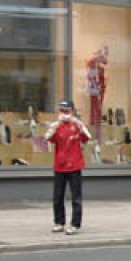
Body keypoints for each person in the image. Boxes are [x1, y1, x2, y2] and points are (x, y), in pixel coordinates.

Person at [46, 100, 91, 234]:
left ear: (72, 111)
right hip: (59, 166)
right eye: (62, 111)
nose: (64, 114)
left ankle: (75, 224)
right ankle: (59, 222)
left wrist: (79, 124)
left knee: (76, 197)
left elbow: (87, 137)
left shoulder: (77, 125)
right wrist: (55, 126)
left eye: (66, 111)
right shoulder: (57, 126)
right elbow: (47, 137)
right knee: (57, 196)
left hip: (74, 165)